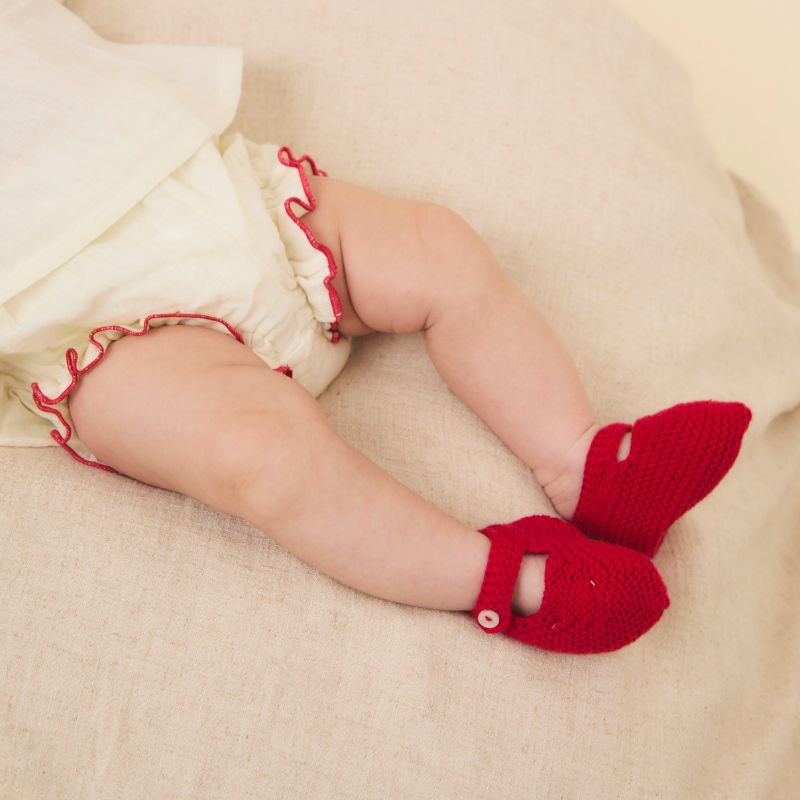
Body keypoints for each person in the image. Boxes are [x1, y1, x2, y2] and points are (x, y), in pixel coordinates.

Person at [1, 0, 751, 656]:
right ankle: (503, 577)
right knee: (254, 452)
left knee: (439, 246)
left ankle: (584, 461)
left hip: (205, 195)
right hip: (87, 320)